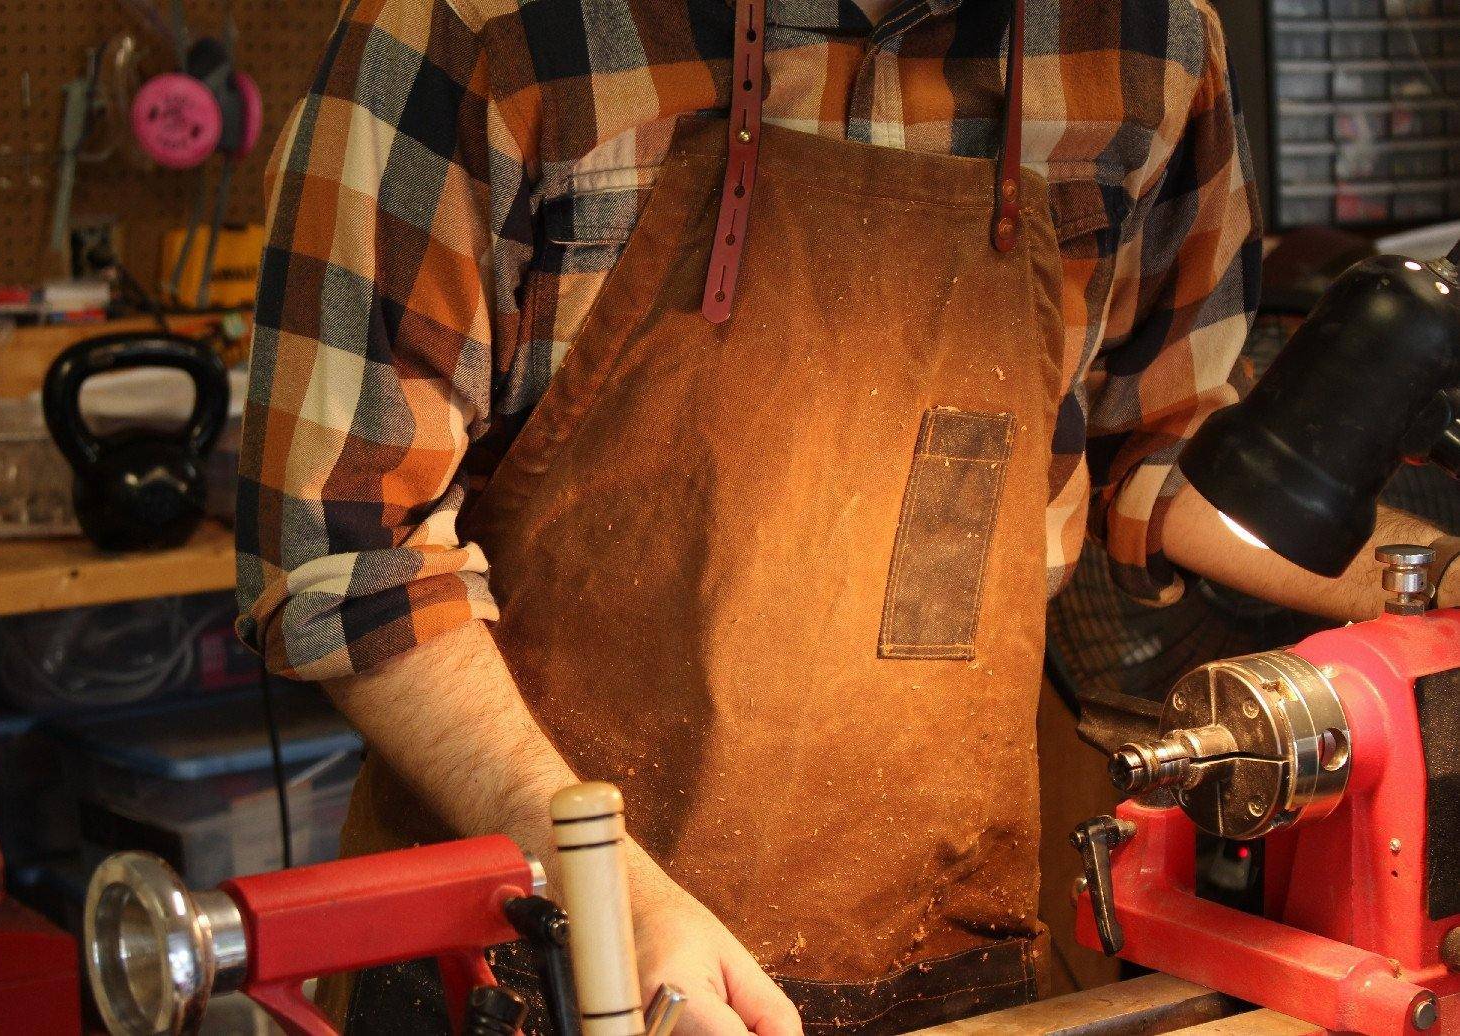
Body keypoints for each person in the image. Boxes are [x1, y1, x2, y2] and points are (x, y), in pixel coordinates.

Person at [236, 0, 1460, 1032]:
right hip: (537, 952)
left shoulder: (1146, 45)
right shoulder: (492, 33)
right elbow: (346, 547)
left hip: (936, 934)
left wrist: (1431, 577)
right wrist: (605, 895)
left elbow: (1165, 448)